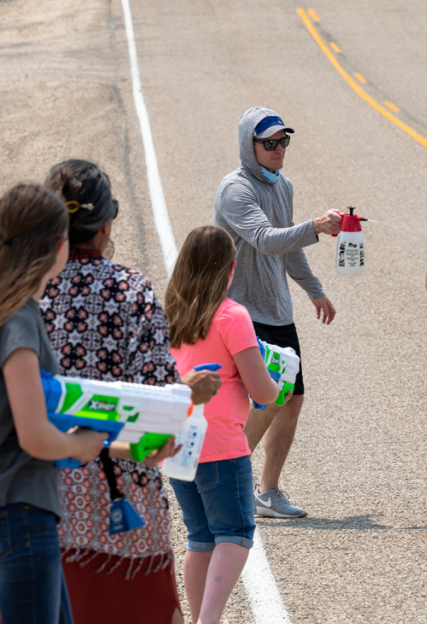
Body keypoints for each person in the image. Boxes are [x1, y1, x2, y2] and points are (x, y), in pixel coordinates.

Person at [41, 160, 221, 624]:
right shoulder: (130, 291)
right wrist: (190, 393)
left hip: (41, 493)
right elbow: (157, 403)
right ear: (107, 224)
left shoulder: (25, 294)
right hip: (120, 492)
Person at [214, 107, 341, 519]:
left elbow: (289, 248)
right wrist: (317, 226)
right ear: (249, 146)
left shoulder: (282, 185)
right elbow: (267, 240)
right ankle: (226, 477)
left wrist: (314, 291)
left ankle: (267, 491)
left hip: (277, 310)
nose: (278, 148)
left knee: (292, 399)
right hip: (244, 311)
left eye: (283, 140)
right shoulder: (236, 190)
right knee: (268, 399)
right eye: (269, 142)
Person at [0, 183, 108, 623]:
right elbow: (34, 435)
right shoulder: (19, 317)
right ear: (59, 247)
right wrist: (81, 447)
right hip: (22, 513)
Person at [165, 225, 281, 624]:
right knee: (235, 532)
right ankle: (208, 621)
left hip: (178, 441)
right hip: (219, 443)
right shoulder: (232, 315)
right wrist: (277, 379)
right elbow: (262, 392)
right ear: (230, 269)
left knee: (198, 536)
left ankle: (199, 615)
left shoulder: (172, 313)